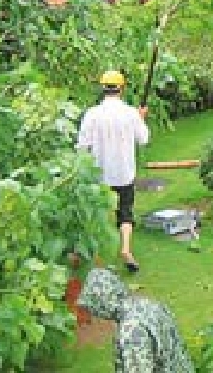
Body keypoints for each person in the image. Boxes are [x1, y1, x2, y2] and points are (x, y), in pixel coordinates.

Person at [77, 70, 150, 273]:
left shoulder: (92, 114)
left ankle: (99, 256)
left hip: (100, 174)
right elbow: (143, 139)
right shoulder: (130, 113)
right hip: (124, 172)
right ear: (121, 88)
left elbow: (82, 146)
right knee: (125, 212)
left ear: (103, 88)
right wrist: (141, 118)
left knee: (99, 214)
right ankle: (126, 249)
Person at [78, 268, 194, 373]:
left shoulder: (131, 331)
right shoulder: (150, 305)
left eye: (93, 307)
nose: (95, 314)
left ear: (103, 302)